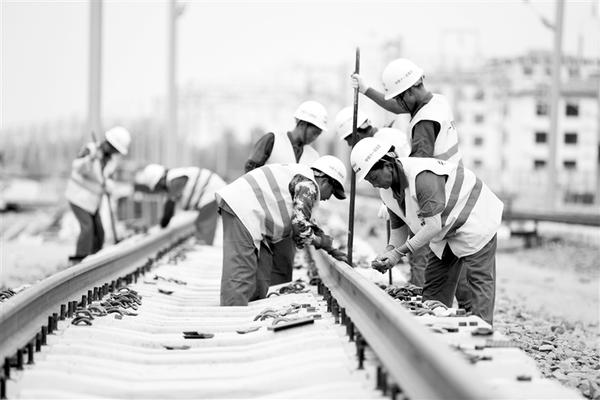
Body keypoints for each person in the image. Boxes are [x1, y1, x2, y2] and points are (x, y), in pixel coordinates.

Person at [350, 137, 503, 325]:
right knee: (434, 287)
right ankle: (437, 328)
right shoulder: (387, 191)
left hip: (474, 217)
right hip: (445, 228)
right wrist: (388, 252)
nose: (374, 185)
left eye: (374, 178)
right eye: (369, 181)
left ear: (387, 165)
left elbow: (432, 226)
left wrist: (398, 253)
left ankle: (482, 329)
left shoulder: (422, 176)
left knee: (477, 282)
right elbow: (399, 229)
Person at [351, 58, 463, 291]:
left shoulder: (424, 123)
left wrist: (397, 199)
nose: (398, 104)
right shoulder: (436, 101)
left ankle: (426, 293)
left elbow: (419, 166)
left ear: (410, 91)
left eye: (400, 98)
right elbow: (398, 106)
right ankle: (431, 294)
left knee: (432, 246)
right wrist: (366, 90)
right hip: (451, 185)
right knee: (448, 257)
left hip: (439, 191)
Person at [217, 155, 348, 306]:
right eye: (332, 192)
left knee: (260, 279)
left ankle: (247, 312)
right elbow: (300, 227)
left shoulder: (303, 180)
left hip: (254, 216)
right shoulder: (308, 185)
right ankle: (233, 312)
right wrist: (322, 242)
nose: (329, 198)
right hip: (243, 208)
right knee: (241, 273)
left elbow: (307, 222)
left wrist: (331, 249)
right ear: (325, 181)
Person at [244, 100, 328, 286]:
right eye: (314, 132)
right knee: (258, 265)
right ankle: (257, 298)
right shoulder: (273, 140)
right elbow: (250, 169)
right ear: (303, 124)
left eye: (319, 134)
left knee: (282, 267)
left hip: (288, 221)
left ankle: (277, 298)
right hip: (262, 215)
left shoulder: (313, 157)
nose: (315, 137)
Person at [65, 126, 131, 262]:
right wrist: (90, 159)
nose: (115, 152)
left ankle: (94, 260)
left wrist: (108, 186)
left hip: (93, 202)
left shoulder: (110, 161)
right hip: (78, 197)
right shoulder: (90, 150)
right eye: (114, 149)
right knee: (87, 229)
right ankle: (79, 261)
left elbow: (108, 179)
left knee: (100, 233)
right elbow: (77, 167)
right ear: (108, 143)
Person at [135, 164, 226, 244]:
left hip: (212, 192)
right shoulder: (175, 177)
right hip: (212, 193)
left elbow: (170, 206)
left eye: (157, 187)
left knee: (204, 225)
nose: (159, 190)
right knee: (202, 223)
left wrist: (162, 226)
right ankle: (203, 243)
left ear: (160, 180)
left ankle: (204, 244)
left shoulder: (174, 179)